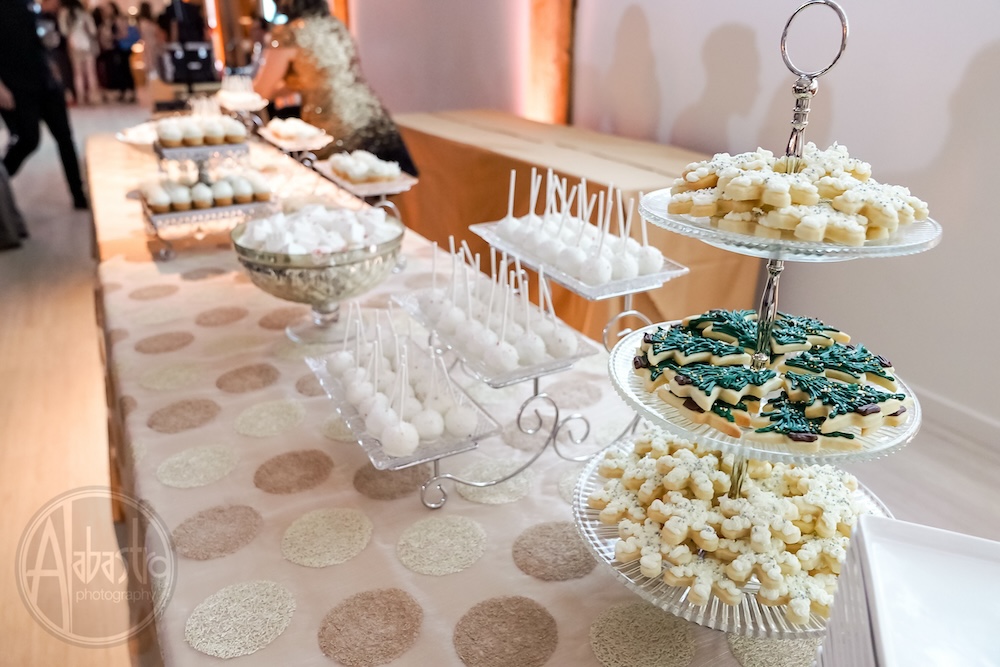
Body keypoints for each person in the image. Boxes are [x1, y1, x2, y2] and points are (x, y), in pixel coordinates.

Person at [252, 0, 416, 175]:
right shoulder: (334, 25)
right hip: (374, 118)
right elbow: (323, 78)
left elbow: (260, 93)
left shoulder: (288, 34)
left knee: (342, 192)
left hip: (335, 128)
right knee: (382, 187)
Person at [0, 0, 88, 209]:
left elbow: (42, 40)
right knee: (29, 140)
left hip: (46, 83)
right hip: (16, 87)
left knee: (65, 138)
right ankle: (1, 180)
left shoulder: (31, 5)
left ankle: (79, 195)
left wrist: (52, 64)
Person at [58, 0, 99, 105]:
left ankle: (81, 98)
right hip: (86, 44)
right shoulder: (84, 13)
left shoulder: (64, 13)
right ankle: (93, 97)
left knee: (78, 73)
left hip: (73, 44)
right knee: (91, 72)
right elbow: (93, 30)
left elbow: (63, 31)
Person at [137, 1, 163, 83]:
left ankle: (154, 81)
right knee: (154, 62)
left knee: (151, 62)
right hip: (153, 44)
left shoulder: (142, 22)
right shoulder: (151, 22)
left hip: (149, 44)